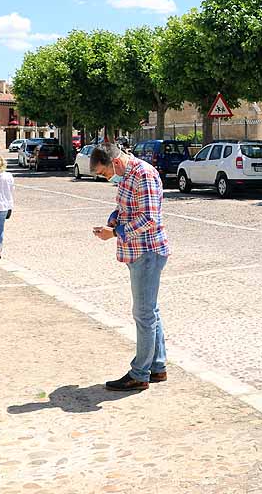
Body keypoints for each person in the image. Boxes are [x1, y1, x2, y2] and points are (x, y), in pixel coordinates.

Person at [91, 142, 170, 391]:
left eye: (104, 173)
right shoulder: (126, 175)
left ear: (114, 162)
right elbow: (127, 208)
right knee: (150, 312)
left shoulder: (142, 174)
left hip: (147, 252)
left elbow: (149, 218)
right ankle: (157, 367)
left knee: (144, 315)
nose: (106, 178)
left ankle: (140, 374)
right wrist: (113, 219)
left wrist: (114, 232)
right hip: (138, 252)